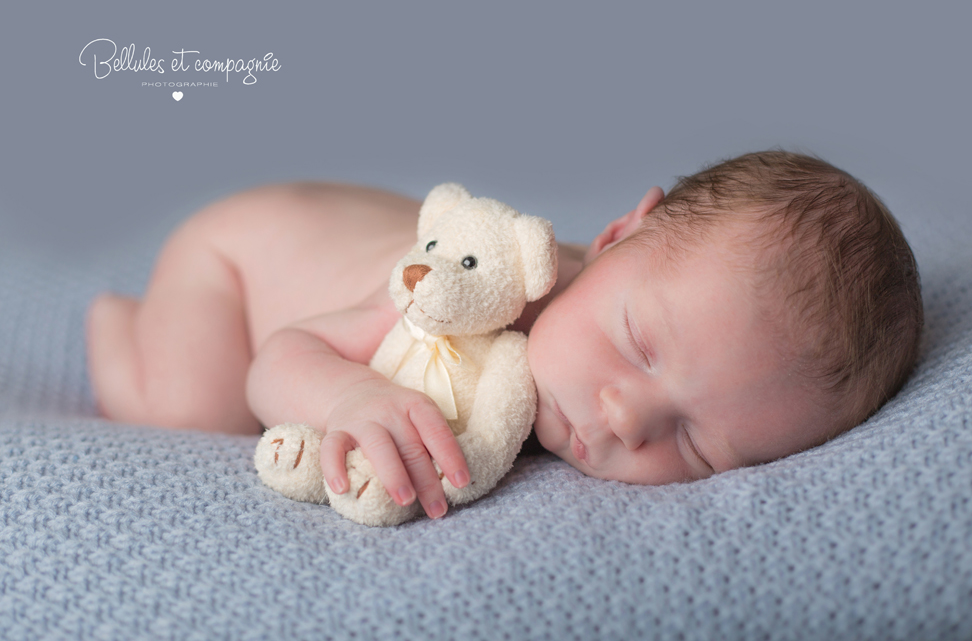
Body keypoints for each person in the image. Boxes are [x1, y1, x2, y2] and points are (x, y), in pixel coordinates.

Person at [87, 150, 923, 520]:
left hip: (328, 212)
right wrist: (353, 392)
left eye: (701, 447)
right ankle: (110, 322)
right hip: (239, 260)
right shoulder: (469, 299)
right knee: (193, 406)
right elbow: (280, 360)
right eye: (637, 342)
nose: (628, 421)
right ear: (621, 234)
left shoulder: (590, 358)